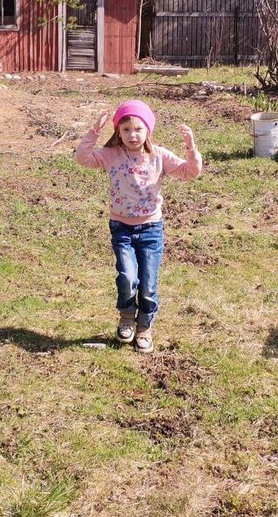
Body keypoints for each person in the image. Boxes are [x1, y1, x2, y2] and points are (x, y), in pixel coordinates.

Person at [75, 99, 202, 353]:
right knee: (127, 277)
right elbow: (83, 158)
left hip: (151, 230)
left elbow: (190, 172)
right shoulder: (111, 155)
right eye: (125, 130)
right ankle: (126, 317)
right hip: (121, 227)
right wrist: (93, 132)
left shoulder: (159, 156)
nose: (132, 135)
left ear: (148, 131)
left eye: (138, 129)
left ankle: (144, 326)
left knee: (148, 283)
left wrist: (191, 148)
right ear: (118, 133)